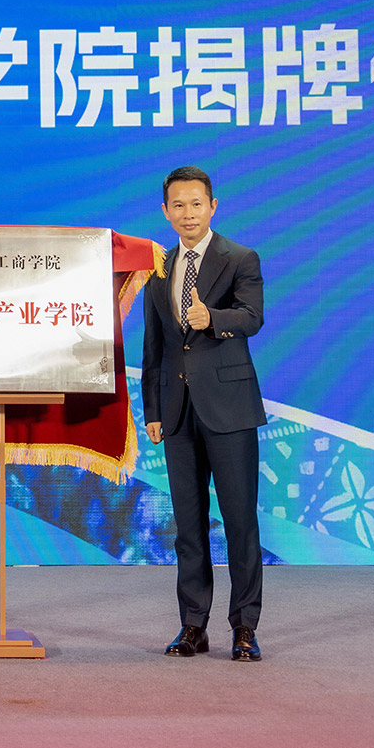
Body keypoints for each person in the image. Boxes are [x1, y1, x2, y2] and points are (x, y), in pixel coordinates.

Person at [141, 165, 267, 662]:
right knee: (188, 529)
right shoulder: (158, 270)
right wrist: (153, 410)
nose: (188, 213)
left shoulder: (240, 258)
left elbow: (252, 318)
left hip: (230, 410)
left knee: (240, 524)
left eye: (196, 203)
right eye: (178, 205)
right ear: (166, 211)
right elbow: (154, 348)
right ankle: (193, 626)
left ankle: (245, 628)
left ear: (213, 206)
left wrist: (212, 318)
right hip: (177, 414)